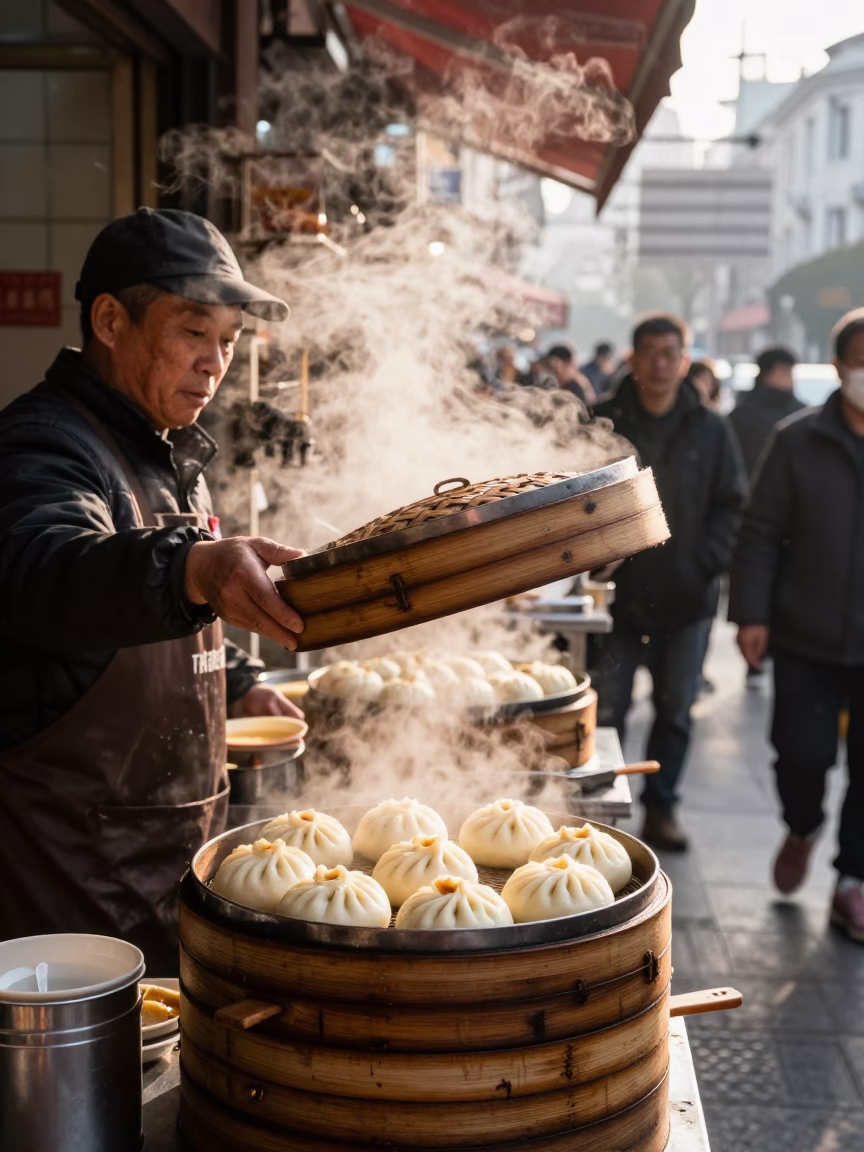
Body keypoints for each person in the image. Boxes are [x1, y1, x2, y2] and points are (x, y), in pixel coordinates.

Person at [0, 208, 308, 972]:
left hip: (170, 864)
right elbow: (46, 569)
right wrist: (193, 568)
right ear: (110, 320)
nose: (215, 361)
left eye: (230, 340)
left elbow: (159, 614)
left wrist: (238, 684)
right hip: (72, 896)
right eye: (193, 330)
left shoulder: (165, 454)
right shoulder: (44, 443)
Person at [729, 309, 864, 942]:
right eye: (862, 359)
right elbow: (758, 533)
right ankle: (803, 824)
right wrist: (752, 614)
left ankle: (853, 881)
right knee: (802, 757)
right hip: (806, 634)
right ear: (839, 366)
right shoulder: (797, 439)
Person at [590, 314, 747, 851]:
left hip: (687, 598)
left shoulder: (710, 426)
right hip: (615, 598)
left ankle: (662, 808)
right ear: (632, 359)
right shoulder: (603, 422)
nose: (659, 364)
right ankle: (599, 814)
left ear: (684, 360)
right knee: (605, 710)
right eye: (649, 353)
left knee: (675, 711)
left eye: (669, 353)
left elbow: (732, 504)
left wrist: (705, 561)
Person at [728, 347, 804, 478]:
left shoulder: (801, 413)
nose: (790, 379)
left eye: (791, 372)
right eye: (784, 372)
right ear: (765, 375)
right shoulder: (742, 415)